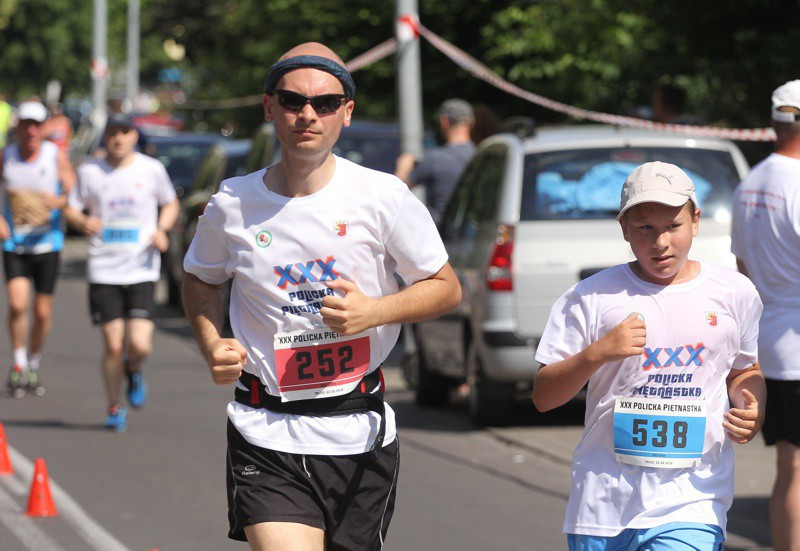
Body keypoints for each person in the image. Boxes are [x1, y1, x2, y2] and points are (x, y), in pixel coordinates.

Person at [182, 42, 461, 550]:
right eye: (292, 101)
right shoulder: (232, 204)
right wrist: (210, 340)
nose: (307, 114)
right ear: (270, 108)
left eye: (326, 103)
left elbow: (446, 288)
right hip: (265, 428)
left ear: (346, 113)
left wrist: (374, 311)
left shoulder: (382, 196)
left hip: (358, 429)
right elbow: (201, 278)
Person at [533, 161, 766, 549]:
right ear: (624, 228)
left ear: (695, 220)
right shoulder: (591, 297)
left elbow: (745, 369)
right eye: (645, 228)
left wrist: (751, 405)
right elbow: (543, 397)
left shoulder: (735, 292)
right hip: (603, 503)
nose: (660, 242)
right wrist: (597, 354)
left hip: (693, 501)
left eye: (673, 226)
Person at [64, 114, 178, 432]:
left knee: (140, 344)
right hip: (104, 269)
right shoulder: (89, 171)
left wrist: (162, 229)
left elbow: (170, 204)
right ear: (106, 137)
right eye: (113, 132)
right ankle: (114, 406)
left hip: (141, 266)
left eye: (124, 132)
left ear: (134, 137)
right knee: (113, 344)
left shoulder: (151, 169)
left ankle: (134, 368)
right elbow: (71, 207)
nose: (118, 138)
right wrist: (82, 221)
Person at [730, 79, 800, 551]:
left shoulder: (750, 182)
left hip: (770, 343)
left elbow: (743, 270)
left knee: (788, 468)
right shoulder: (797, 182)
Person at [1, 100, 76, 397]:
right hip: (15, 242)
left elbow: (73, 190)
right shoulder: (6, 156)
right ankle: (18, 362)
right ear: (17, 127)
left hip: (47, 243)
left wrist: (59, 201)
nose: (30, 131)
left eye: (36, 125)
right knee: (18, 304)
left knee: (42, 312)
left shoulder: (53, 156)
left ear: (44, 128)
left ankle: (33, 361)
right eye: (25, 125)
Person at [395, 98, 476, 227]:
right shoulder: (482, 157)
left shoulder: (435, 158)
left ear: (444, 121)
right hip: (474, 234)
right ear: (472, 123)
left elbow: (395, 193)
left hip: (441, 235)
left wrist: (403, 167)